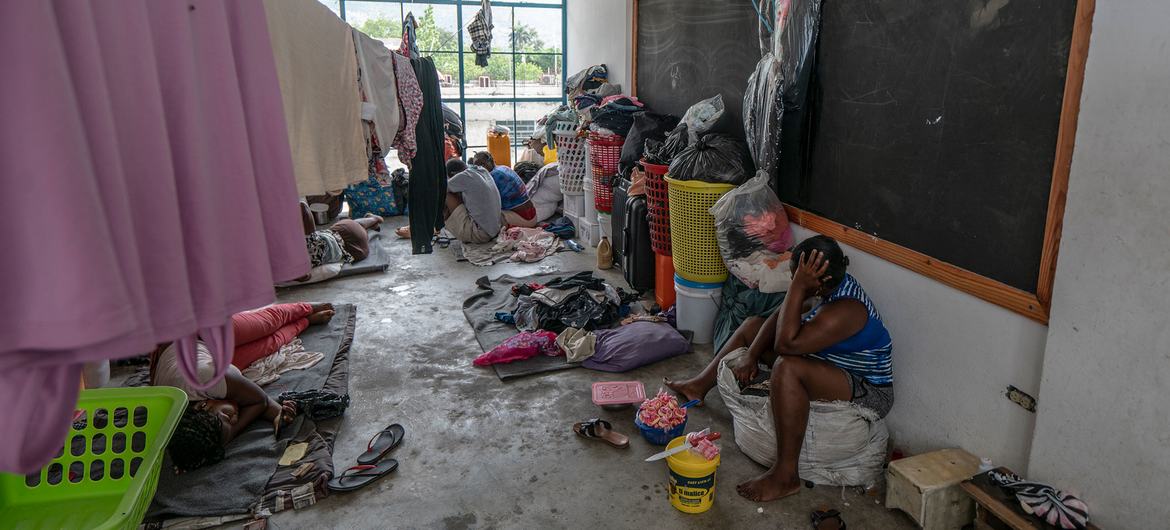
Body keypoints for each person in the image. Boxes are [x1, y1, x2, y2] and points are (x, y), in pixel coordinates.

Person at [664, 235, 893, 502]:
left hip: (867, 389)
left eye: (797, 278)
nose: (793, 280)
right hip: (830, 367)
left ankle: (786, 475)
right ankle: (698, 386)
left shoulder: (846, 310)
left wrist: (797, 287)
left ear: (820, 281)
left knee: (787, 367)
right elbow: (782, 315)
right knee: (753, 326)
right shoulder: (823, 289)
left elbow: (785, 345)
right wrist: (751, 355)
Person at [154, 303, 336, 471]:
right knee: (270, 345)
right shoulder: (186, 421)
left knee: (267, 324)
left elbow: (260, 401)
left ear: (203, 405)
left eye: (228, 417)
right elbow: (260, 404)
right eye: (234, 422)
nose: (236, 418)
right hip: (201, 353)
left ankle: (305, 308)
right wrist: (279, 416)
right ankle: (305, 322)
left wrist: (233, 432)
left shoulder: (209, 377)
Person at [395, 158, 503, 244]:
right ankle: (432, 227)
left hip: (480, 234)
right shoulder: (481, 170)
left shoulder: (463, 177)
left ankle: (423, 229)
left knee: (444, 195)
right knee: (452, 193)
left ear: (453, 174)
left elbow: (438, 191)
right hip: (493, 230)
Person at [299, 201, 383, 268]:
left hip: (351, 246)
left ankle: (372, 221)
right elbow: (303, 206)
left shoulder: (305, 256)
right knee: (355, 225)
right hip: (349, 242)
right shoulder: (308, 246)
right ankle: (373, 219)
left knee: (356, 226)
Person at [471, 151, 539, 228]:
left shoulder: (494, 175)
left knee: (483, 216)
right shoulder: (503, 168)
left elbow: (489, 202)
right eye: (476, 166)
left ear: (490, 161)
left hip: (525, 218)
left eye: (482, 164)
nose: (479, 168)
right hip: (532, 215)